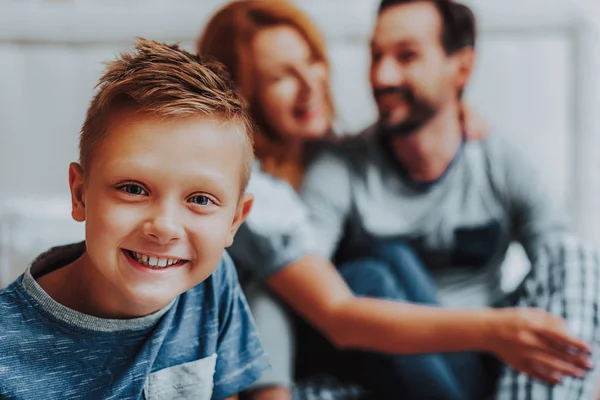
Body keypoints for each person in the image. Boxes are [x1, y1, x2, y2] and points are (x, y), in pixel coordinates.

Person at [197, 2, 593, 400]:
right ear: (241, 99)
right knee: (375, 268)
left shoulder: (486, 154)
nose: (310, 83)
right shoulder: (269, 192)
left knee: (573, 258)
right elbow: (297, 296)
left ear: (461, 67)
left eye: (312, 61)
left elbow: (560, 271)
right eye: (280, 76)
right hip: (334, 352)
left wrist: (449, 113)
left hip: (468, 359)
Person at [0, 38, 270, 400]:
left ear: (234, 222)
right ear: (80, 194)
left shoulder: (212, 282)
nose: (164, 227)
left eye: (201, 199)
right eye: (133, 189)